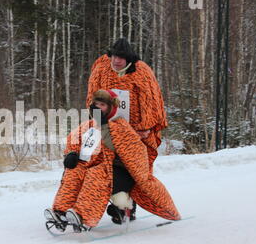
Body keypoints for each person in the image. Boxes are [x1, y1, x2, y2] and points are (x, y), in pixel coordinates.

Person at [45, 89, 180, 233]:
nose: (98, 108)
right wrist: (71, 154)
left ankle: (83, 214)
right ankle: (60, 211)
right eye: (96, 104)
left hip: (123, 173)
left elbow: (122, 147)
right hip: (96, 167)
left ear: (111, 107)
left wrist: (104, 127)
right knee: (74, 171)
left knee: (96, 173)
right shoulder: (89, 125)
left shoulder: (120, 125)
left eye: (102, 105)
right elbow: (74, 140)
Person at [86, 38, 168, 220]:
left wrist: (145, 128)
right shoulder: (101, 68)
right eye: (114, 56)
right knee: (109, 166)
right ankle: (118, 205)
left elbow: (151, 101)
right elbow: (93, 98)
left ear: (129, 59)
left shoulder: (142, 72)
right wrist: (99, 122)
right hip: (110, 128)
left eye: (121, 58)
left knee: (135, 170)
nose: (117, 61)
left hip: (137, 130)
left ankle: (127, 209)